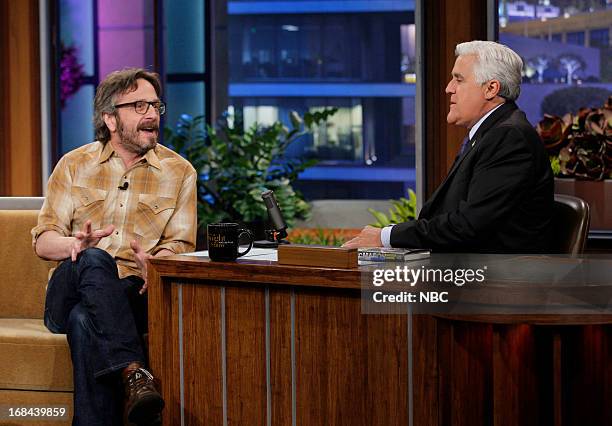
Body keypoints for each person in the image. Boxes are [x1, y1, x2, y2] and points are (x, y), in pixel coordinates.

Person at [32, 68, 197, 425]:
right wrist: (73, 244)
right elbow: (44, 241)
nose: (151, 114)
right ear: (109, 118)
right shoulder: (74, 165)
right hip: (68, 289)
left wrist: (158, 261)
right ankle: (135, 371)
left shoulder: (180, 172)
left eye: (155, 105)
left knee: (84, 320)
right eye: (138, 106)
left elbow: (181, 244)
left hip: (133, 293)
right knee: (93, 258)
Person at [344, 41, 553, 253]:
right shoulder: (490, 133)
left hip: (494, 279)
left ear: (491, 88)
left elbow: (469, 226)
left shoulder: (509, 137)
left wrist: (385, 236)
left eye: (458, 79)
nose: (448, 88)